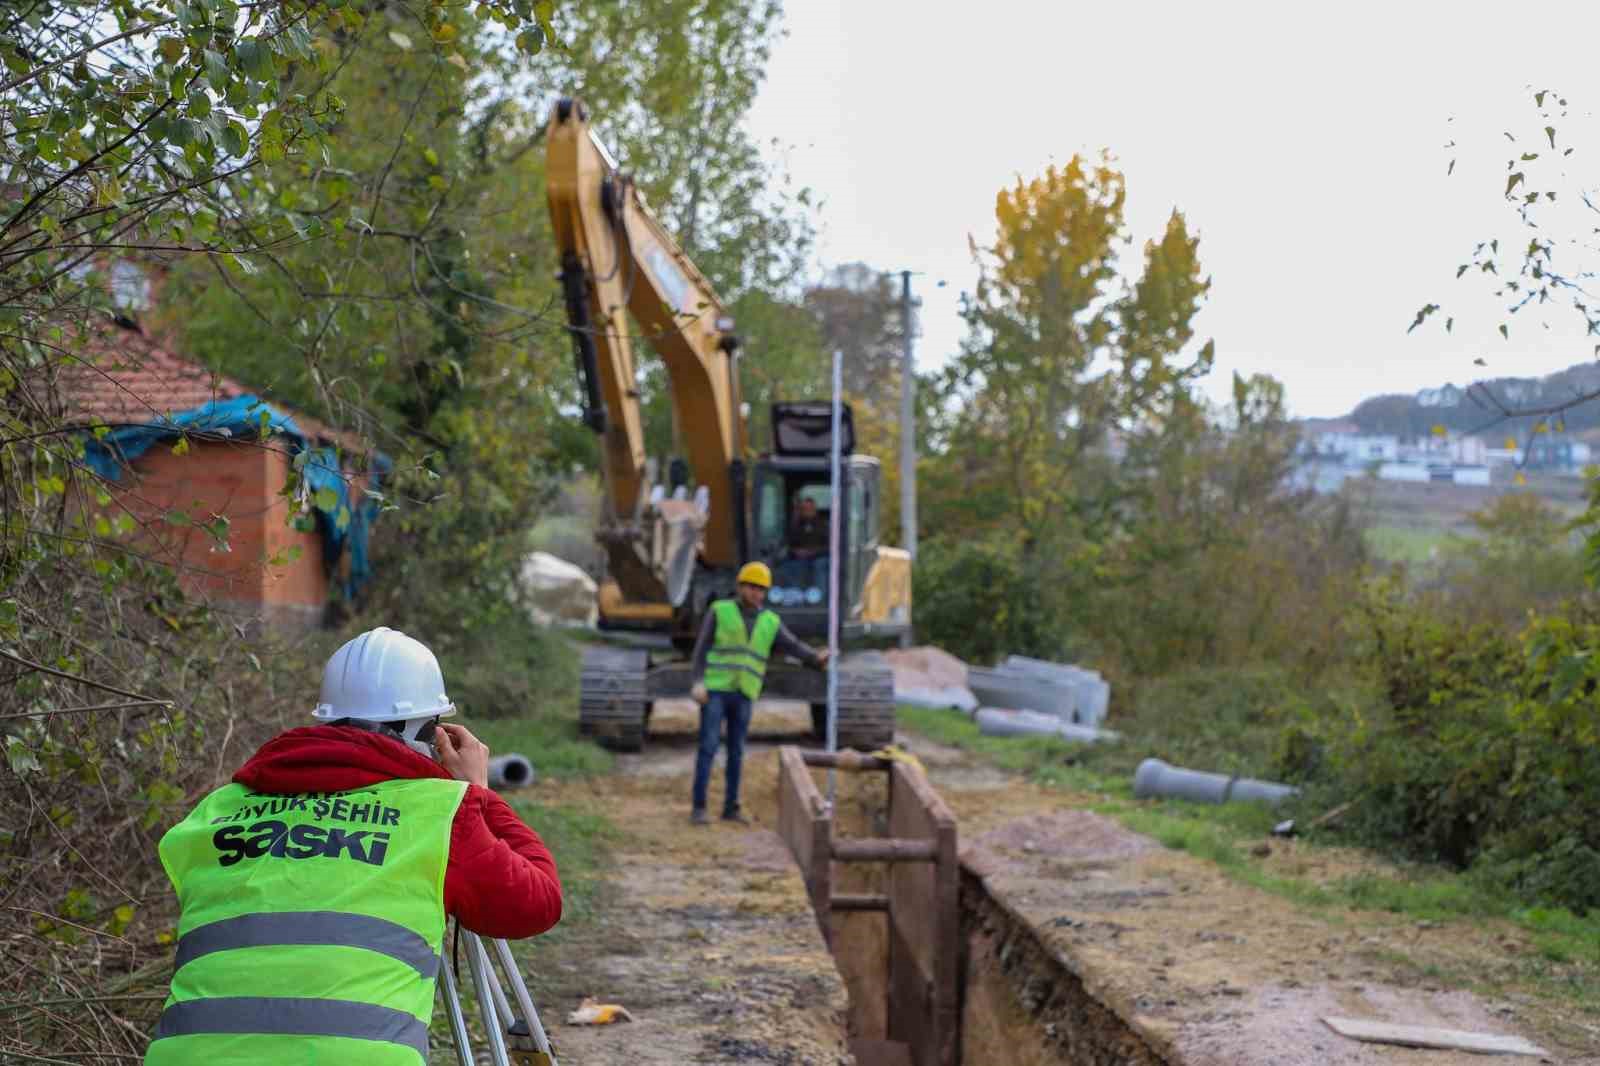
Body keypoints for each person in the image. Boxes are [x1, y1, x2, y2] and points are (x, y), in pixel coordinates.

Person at [143, 627, 562, 1066]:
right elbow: (538, 902)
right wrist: (476, 793)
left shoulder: (219, 808)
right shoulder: (440, 815)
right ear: (423, 730)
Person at [688, 561, 830, 826]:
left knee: (736, 751)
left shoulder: (770, 621)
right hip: (716, 690)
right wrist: (697, 682)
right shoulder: (720, 611)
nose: (757, 593)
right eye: (752, 587)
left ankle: (730, 807)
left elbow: (793, 647)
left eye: (761, 589)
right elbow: (701, 649)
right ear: (740, 587)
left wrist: (816, 659)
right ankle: (699, 807)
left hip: (744, 694)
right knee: (708, 747)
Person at [784, 494, 829, 589]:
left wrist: (813, 552)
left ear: (814, 509)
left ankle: (818, 595)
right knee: (788, 565)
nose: (807, 511)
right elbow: (789, 543)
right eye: (804, 509)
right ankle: (794, 594)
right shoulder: (796, 525)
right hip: (799, 558)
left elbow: (829, 546)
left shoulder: (823, 525)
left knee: (820, 566)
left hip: (819, 557)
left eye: (810, 508)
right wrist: (797, 551)